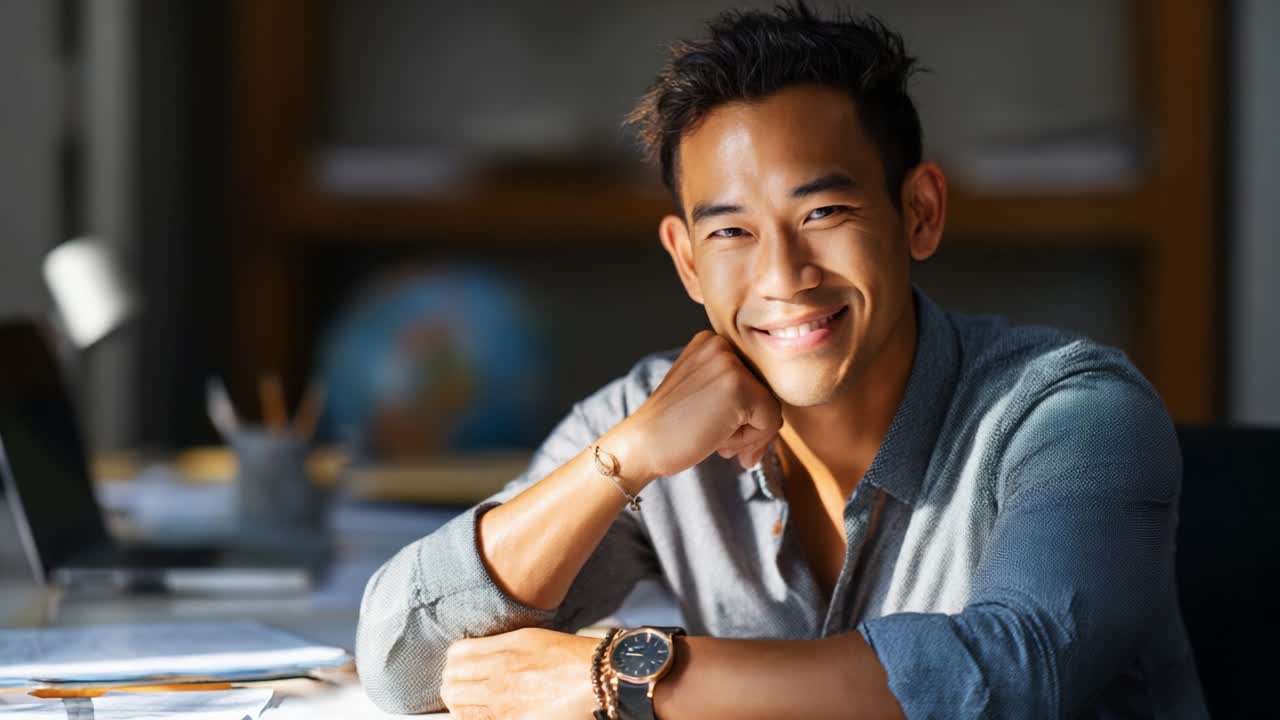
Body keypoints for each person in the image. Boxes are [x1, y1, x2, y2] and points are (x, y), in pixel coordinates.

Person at [355, 4, 1207, 718]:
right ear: (687, 261)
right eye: (730, 232)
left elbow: (1019, 672)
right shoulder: (651, 418)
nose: (784, 278)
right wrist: (623, 460)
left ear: (919, 211)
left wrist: (624, 675)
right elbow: (404, 664)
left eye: (825, 211)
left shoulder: (1077, 413)